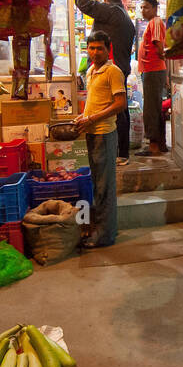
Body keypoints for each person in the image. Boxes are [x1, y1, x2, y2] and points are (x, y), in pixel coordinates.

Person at [73, 0, 135, 164]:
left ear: (107, 1)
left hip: (113, 68)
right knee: (120, 110)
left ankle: (120, 153)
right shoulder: (127, 19)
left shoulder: (113, 12)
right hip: (120, 66)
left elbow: (83, 4)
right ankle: (121, 152)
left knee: (118, 109)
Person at [74, 30, 126, 248]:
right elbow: (95, 101)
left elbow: (120, 104)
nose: (95, 52)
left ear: (108, 49)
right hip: (92, 132)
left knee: (104, 187)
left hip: (105, 134)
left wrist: (93, 117)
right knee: (97, 184)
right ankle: (103, 229)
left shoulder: (113, 71)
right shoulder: (91, 70)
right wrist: (83, 117)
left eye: (99, 48)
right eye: (91, 48)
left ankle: (105, 236)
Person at [136, 0, 168, 157]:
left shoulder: (155, 22)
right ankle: (160, 144)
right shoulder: (153, 23)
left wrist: (162, 59)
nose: (143, 10)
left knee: (151, 109)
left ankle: (153, 146)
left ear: (155, 9)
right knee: (155, 107)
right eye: (141, 7)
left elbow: (158, 45)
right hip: (152, 70)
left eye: (146, 7)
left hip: (153, 70)